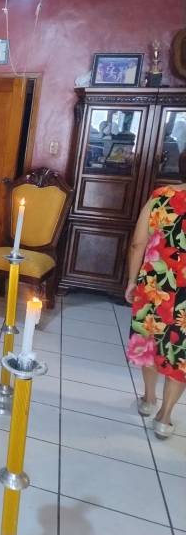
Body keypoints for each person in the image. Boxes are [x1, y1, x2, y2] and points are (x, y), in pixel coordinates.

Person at [125, 151, 186, 439]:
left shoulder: (161, 197)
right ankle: (165, 417)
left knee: (150, 343)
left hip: (156, 287)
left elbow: (138, 243)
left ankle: (149, 400)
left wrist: (131, 281)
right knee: (180, 356)